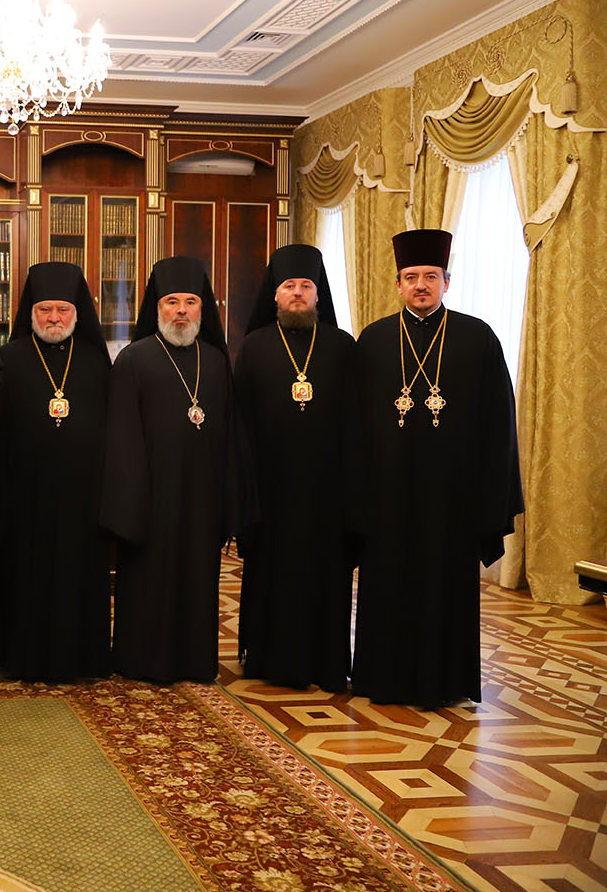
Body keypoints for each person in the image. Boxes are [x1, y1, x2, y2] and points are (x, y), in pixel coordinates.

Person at [350, 229, 522, 707]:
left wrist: (489, 497)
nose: (421, 285)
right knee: (389, 587)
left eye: (430, 276)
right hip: (388, 498)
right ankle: (383, 679)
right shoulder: (373, 340)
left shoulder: (477, 338)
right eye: (411, 277)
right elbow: (354, 426)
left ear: (447, 281)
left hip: (453, 501)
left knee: (445, 589)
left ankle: (445, 682)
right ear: (398, 284)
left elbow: (499, 423)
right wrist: (357, 496)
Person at [101, 256, 240, 685]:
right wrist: (132, 504)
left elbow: (229, 434)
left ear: (203, 309)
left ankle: (195, 662)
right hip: (150, 500)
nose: (181, 311)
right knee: (149, 582)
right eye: (172, 302)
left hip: (201, 498)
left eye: (190, 302)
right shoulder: (133, 359)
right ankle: (141, 660)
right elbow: (121, 438)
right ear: (157, 307)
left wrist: (226, 499)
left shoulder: (215, 361)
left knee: (198, 581)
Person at [0, 261, 113, 682]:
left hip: (83, 497)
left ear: (77, 312)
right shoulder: (10, 356)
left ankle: (82, 659)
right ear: (31, 312)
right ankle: (23, 657)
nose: (54, 318)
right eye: (44, 310)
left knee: (79, 576)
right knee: (27, 577)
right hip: (26, 495)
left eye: (62, 309)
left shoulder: (96, 361)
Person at [233, 244, 356, 692]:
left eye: (306, 285)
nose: (298, 293)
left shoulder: (343, 347)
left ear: (319, 293)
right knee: (271, 576)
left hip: (327, 494)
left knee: (326, 578)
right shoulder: (253, 347)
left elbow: (358, 423)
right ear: (275, 294)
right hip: (270, 492)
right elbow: (239, 422)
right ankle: (266, 659)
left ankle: (327, 663)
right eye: (290, 286)